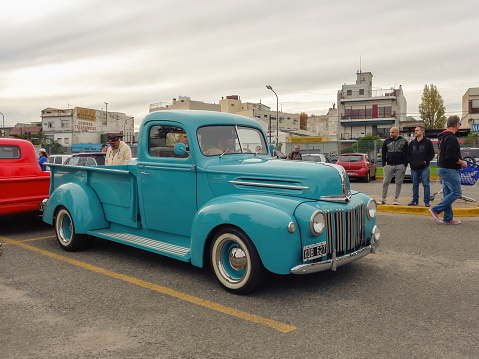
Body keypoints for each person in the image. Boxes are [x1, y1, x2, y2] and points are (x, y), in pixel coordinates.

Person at [430, 115, 467, 224]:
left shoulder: (443, 137)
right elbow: (451, 156)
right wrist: (462, 162)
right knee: (456, 192)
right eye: (459, 124)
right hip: (449, 169)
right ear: (457, 125)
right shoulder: (451, 138)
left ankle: (448, 218)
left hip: (442, 168)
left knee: (448, 194)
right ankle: (435, 210)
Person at [378, 127, 408, 205]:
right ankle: (383, 199)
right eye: (390, 132)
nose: (391, 134)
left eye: (393, 132)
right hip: (389, 165)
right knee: (385, 182)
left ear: (397, 132)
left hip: (400, 165)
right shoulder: (386, 141)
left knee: (398, 183)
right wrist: (383, 164)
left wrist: (405, 164)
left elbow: (407, 153)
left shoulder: (403, 141)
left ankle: (395, 199)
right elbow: (383, 153)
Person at [407, 126, 436, 207]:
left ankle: (426, 201)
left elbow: (432, 154)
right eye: (415, 130)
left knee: (426, 184)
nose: (415, 132)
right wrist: (410, 162)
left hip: (424, 168)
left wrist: (426, 161)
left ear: (422, 132)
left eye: (417, 130)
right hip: (414, 168)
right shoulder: (412, 143)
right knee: (415, 185)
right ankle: (415, 200)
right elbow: (408, 154)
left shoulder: (428, 142)